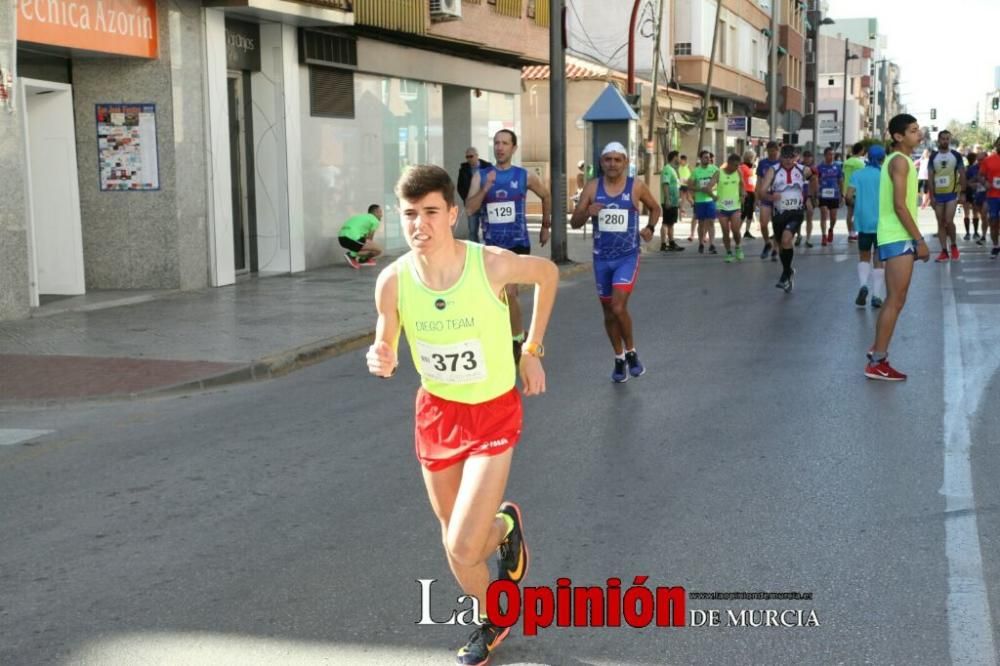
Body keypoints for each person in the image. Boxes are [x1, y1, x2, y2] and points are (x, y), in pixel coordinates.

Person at [366, 164, 558, 666]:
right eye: (410, 214)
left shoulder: (489, 265)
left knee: (464, 543)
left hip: (493, 413)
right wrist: (381, 356)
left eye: (430, 212)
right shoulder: (393, 281)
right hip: (437, 415)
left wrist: (531, 349)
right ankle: (496, 613)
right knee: (458, 548)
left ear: (452, 213)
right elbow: (385, 339)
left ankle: (502, 534)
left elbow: (547, 274)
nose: (419, 225)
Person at [570, 141, 659, 382]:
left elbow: (655, 208)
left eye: (617, 159)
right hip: (601, 260)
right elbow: (574, 223)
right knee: (609, 313)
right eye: (608, 159)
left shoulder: (636, 187)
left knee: (618, 306)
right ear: (601, 162)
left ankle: (631, 352)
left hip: (627, 257)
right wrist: (588, 212)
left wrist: (650, 227)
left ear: (625, 163)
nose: (612, 164)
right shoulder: (592, 188)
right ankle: (618, 358)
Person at [465, 130, 553, 360]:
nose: (500, 147)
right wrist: (485, 189)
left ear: (514, 148)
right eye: (496, 143)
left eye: (505, 143)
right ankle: (513, 333)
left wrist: (545, 225)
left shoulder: (524, 176)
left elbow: (546, 195)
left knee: (510, 291)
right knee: (497, 295)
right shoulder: (481, 176)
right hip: (492, 246)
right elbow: (469, 209)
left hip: (517, 243)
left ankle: (515, 341)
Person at [866, 114, 930, 381]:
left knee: (895, 300)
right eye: (913, 131)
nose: (919, 134)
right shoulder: (900, 162)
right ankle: (878, 362)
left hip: (895, 236)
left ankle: (876, 352)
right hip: (898, 236)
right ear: (898, 137)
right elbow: (900, 205)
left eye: (919, 129)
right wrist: (919, 240)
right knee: (895, 300)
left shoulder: (898, 160)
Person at [758, 144, 811, 292]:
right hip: (779, 214)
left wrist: (810, 197)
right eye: (785, 157)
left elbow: (814, 178)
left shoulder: (803, 170)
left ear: (797, 157)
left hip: (796, 212)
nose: (788, 160)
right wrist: (770, 196)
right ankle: (788, 271)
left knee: (787, 239)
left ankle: (785, 274)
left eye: (792, 157)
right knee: (782, 245)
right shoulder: (773, 170)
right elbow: (761, 192)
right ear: (781, 156)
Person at [846, 145, 886, 308]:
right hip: (881, 223)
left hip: (863, 221)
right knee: (878, 258)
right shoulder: (885, 175)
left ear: (868, 157)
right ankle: (876, 296)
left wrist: (857, 204)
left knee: (864, 256)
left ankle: (863, 285)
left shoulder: (858, 174)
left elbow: (848, 196)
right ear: (882, 158)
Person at [927, 130, 966, 262]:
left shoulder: (956, 155)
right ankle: (944, 251)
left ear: (950, 140)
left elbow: (962, 174)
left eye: (947, 139)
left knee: (948, 221)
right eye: (943, 139)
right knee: (940, 223)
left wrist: (963, 193)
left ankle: (953, 245)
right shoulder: (933, 156)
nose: (945, 141)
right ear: (938, 140)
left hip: (952, 194)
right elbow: (930, 177)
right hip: (938, 195)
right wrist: (931, 196)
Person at [457, 148, 492, 242]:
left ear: (477, 156)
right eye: (467, 157)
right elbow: (460, 187)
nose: (469, 159)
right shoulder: (464, 169)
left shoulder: (488, 167)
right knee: (472, 231)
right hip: (472, 204)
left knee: (489, 229)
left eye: (471, 156)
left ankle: (489, 250)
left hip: (486, 204)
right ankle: (475, 250)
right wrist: (467, 200)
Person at [690, 149, 720, 254]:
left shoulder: (715, 169)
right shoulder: (696, 171)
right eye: (705, 157)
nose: (708, 159)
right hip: (700, 200)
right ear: (701, 159)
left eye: (709, 157)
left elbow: (721, 182)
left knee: (711, 222)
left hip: (711, 199)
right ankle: (701, 243)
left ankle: (712, 244)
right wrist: (699, 189)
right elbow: (690, 185)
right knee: (701, 223)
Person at [717, 153, 746, 262]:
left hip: (735, 206)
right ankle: (728, 252)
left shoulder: (738, 172)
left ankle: (738, 247)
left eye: (738, 165)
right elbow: (710, 186)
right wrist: (712, 195)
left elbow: (742, 184)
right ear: (728, 163)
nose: (736, 167)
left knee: (735, 230)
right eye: (734, 165)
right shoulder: (719, 173)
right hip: (722, 207)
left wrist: (742, 194)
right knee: (725, 231)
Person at [755, 141, 781, 259]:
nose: (772, 153)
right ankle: (767, 243)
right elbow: (759, 181)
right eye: (769, 151)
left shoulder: (782, 163)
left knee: (777, 224)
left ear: (777, 150)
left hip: (778, 197)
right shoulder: (762, 163)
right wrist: (757, 196)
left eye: (773, 151)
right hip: (765, 196)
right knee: (763, 223)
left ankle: (776, 248)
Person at [338, 204, 383, 268]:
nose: (382, 215)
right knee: (378, 250)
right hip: (352, 237)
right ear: (376, 212)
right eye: (380, 212)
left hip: (341, 238)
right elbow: (370, 239)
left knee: (365, 243)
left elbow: (364, 239)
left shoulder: (362, 217)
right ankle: (351, 256)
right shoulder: (375, 220)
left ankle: (362, 260)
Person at [817, 147, 845, 244]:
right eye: (829, 154)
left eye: (833, 154)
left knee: (833, 217)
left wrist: (842, 194)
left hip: (834, 195)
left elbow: (840, 181)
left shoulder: (837, 167)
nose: (831, 156)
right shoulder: (819, 167)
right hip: (823, 194)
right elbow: (816, 181)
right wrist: (816, 194)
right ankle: (823, 236)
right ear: (825, 155)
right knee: (824, 214)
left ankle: (831, 230)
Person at [660, 150, 685, 252]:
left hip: (673, 201)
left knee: (671, 223)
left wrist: (677, 200)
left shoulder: (673, 170)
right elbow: (665, 184)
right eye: (679, 157)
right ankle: (663, 244)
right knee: (666, 222)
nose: (680, 159)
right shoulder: (667, 169)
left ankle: (671, 243)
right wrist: (667, 200)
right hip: (669, 201)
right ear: (674, 157)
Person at [980, 136, 1000, 258]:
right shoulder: (988, 160)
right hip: (993, 196)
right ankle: (995, 246)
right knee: (993, 222)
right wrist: (984, 182)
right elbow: (981, 175)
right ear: (996, 145)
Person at [842, 142, 867, 241]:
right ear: (861, 151)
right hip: (857, 191)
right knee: (859, 213)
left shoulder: (846, 162)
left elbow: (844, 176)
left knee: (849, 213)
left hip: (847, 191)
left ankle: (851, 234)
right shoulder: (860, 164)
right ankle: (858, 232)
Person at [962, 150, 981, 240]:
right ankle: (975, 233)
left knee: (967, 213)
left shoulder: (965, 169)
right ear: (975, 159)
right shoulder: (976, 169)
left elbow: (962, 181)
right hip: (973, 192)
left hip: (966, 192)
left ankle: (967, 233)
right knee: (975, 213)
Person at [740, 151, 757, 239]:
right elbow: (740, 180)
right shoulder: (742, 167)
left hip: (751, 191)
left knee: (750, 212)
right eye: (753, 157)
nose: (753, 159)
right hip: (746, 192)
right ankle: (737, 230)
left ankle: (747, 231)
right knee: (744, 212)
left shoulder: (750, 167)